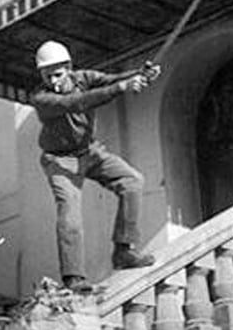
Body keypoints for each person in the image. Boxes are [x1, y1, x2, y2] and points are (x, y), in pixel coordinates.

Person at [30, 40, 160, 293]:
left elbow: (111, 78)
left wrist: (141, 73)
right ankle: (73, 277)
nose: (53, 81)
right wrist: (122, 87)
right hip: (59, 160)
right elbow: (78, 102)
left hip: (90, 151)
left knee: (132, 181)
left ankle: (124, 251)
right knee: (69, 212)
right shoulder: (40, 98)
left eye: (58, 74)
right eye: (47, 76)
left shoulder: (84, 78)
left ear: (69, 68)